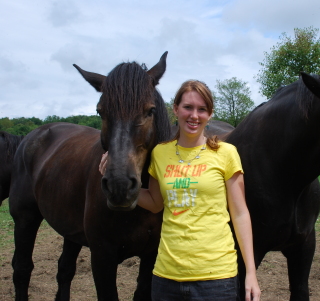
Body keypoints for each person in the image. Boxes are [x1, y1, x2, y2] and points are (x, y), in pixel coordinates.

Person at [99, 80, 260, 301]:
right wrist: (117, 181)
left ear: (210, 114)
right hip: (166, 277)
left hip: (217, 279)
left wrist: (250, 273)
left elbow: (240, 214)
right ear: (175, 109)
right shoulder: (160, 154)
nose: (194, 115)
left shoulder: (226, 153)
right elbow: (155, 202)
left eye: (201, 109)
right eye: (188, 107)